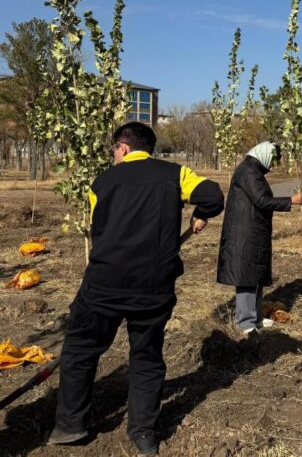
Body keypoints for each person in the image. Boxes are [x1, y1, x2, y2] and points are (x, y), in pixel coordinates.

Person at [49, 122, 224, 454]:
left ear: (123, 148)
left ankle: (70, 426)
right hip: (153, 288)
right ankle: (143, 433)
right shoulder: (175, 174)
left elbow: (99, 230)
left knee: (79, 353)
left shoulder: (101, 182)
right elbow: (214, 195)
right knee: (146, 357)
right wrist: (201, 214)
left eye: (113, 149)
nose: (113, 155)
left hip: (103, 286)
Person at [217, 142, 302, 336]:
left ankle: (255, 316)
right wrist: (291, 201)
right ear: (264, 155)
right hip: (245, 233)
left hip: (253, 231)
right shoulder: (249, 171)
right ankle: (245, 321)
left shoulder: (253, 170)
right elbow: (261, 200)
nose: (272, 165)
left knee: (255, 274)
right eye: (272, 160)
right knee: (247, 276)